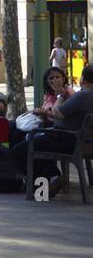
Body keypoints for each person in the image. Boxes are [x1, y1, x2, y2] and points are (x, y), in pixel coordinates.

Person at [13, 63, 93, 193]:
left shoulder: (84, 95)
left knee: (21, 149)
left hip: (69, 141)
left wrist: (60, 95)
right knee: (38, 140)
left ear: (82, 79)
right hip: (84, 143)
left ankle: (45, 182)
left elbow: (57, 113)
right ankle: (51, 178)